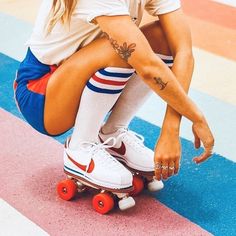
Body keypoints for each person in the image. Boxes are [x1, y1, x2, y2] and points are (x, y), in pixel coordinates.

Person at [13, 0, 214, 192]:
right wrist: (196, 117)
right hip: (41, 93)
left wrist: (171, 128)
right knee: (124, 47)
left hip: (87, 77)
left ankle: (112, 133)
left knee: (162, 38)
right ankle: (80, 148)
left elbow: (183, 51)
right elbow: (146, 66)